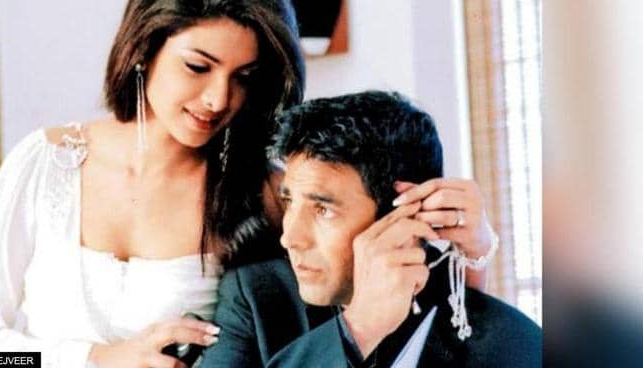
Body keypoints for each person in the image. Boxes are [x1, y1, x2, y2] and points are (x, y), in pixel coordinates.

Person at [0, 0, 494, 368]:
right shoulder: (45, 164)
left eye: (243, 77)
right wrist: (95, 358)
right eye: (198, 67)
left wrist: (475, 251)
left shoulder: (268, 193)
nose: (218, 99)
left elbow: (406, 316)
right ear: (144, 48)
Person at [199, 91, 541, 367]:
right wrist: (357, 330)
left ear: (404, 215)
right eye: (289, 201)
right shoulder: (255, 295)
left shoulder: (514, 343)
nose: (290, 238)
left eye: (323, 210)